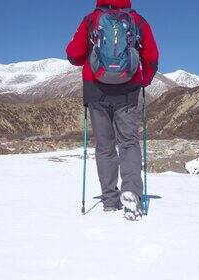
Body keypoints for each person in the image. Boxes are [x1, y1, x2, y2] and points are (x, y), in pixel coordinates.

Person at [66, 0, 159, 220]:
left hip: (96, 90)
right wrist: (143, 79)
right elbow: (152, 56)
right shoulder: (138, 20)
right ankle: (132, 194)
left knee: (105, 146)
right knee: (128, 143)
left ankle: (109, 200)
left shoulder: (91, 20)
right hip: (127, 90)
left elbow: (74, 54)